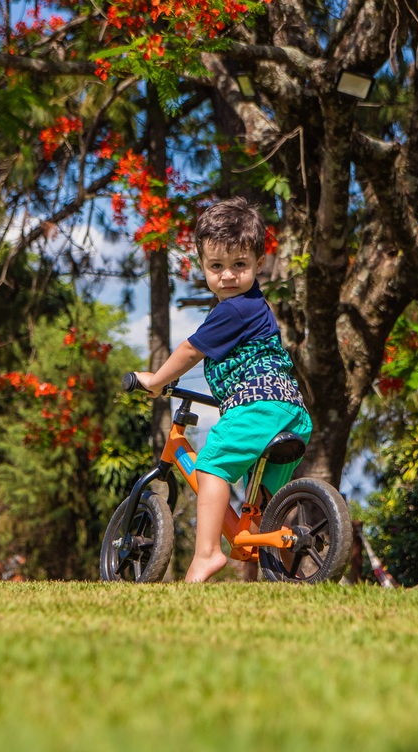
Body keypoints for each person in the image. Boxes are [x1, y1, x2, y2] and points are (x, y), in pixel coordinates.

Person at [132, 197, 311, 583]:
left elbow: (190, 350)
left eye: (239, 265)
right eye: (217, 266)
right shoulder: (256, 308)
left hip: (259, 407)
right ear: (203, 267)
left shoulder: (233, 309)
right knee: (258, 502)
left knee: (211, 466)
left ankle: (207, 554)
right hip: (291, 412)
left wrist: (155, 380)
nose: (228, 275)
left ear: (259, 265)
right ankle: (269, 564)